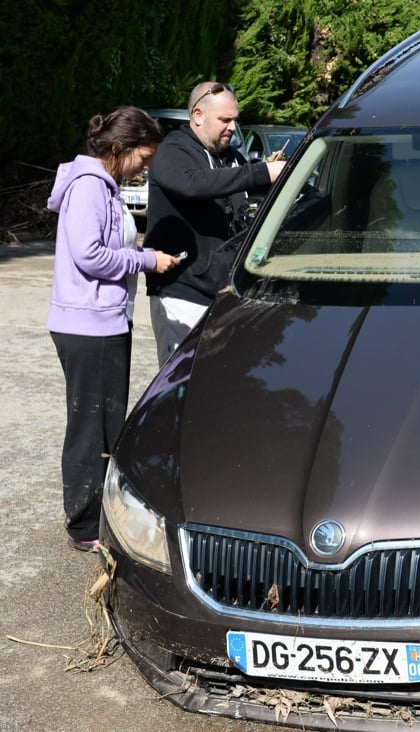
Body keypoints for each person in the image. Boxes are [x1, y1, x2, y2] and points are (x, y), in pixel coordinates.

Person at [47, 106, 179, 552]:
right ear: (119, 149)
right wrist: (145, 259)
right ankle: (85, 526)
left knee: (102, 422)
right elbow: (89, 254)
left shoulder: (104, 186)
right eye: (143, 158)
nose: (145, 168)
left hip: (100, 321)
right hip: (89, 326)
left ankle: (94, 516)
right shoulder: (89, 187)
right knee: (92, 426)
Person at [144, 81, 286, 365]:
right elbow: (193, 184)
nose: (233, 127)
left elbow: (242, 199)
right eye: (225, 120)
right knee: (183, 384)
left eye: (235, 120)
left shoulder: (231, 158)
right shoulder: (173, 151)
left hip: (223, 295)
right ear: (198, 115)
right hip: (180, 293)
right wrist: (260, 173)